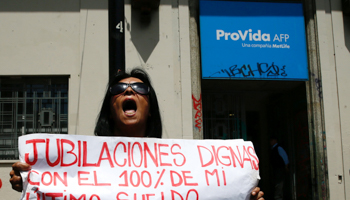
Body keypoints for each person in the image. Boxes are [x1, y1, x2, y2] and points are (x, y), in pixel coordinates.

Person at [10, 68, 264, 199]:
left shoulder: (183, 168)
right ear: (110, 110)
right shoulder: (79, 168)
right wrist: (34, 183)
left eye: (139, 88)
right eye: (120, 88)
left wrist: (241, 196)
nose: (129, 91)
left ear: (150, 108)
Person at [269, 136, 289, 200]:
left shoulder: (279, 148)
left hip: (280, 169)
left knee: (279, 183)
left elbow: (285, 158)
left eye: (272, 140)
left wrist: (286, 166)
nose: (270, 142)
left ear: (275, 141)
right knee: (277, 183)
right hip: (276, 169)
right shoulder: (273, 149)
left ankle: (279, 197)